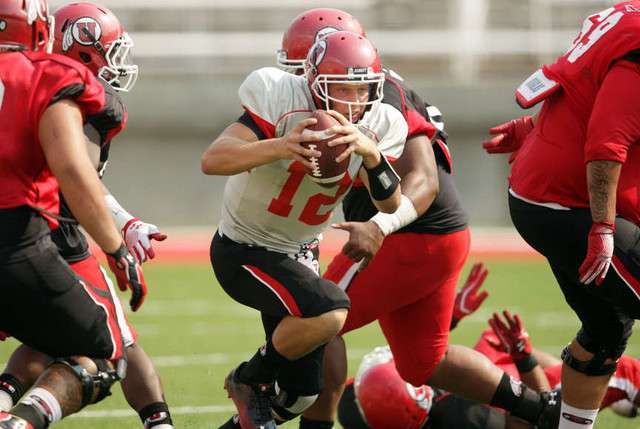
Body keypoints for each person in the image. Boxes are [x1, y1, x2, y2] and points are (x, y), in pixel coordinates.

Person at [247, 9, 559, 429]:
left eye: (304, 67)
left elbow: (424, 180)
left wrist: (378, 226)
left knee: (319, 318)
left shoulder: (377, 93)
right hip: (436, 238)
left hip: (409, 236)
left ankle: (296, 413)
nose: (298, 81)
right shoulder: (359, 90)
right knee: (423, 362)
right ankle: (543, 411)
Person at [202, 31, 406, 429]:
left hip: (300, 253)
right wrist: (279, 146)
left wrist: (372, 156)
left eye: (362, 88)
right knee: (331, 311)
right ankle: (250, 377)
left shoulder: (382, 123)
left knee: (301, 394)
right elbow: (212, 160)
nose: (355, 100)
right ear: (314, 82)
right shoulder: (279, 98)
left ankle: (246, 397)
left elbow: (390, 205)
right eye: (342, 88)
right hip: (244, 248)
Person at [0, 3, 173, 428]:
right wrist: (117, 245)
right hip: (30, 236)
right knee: (108, 348)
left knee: (47, 339)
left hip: (32, 233)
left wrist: (124, 219)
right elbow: (76, 176)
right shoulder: (50, 78)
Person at [483, 2, 640, 428]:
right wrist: (604, 227)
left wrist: (537, 131)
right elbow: (607, 143)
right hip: (568, 204)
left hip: (551, 193)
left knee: (606, 330)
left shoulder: (626, 19)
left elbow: (581, 90)